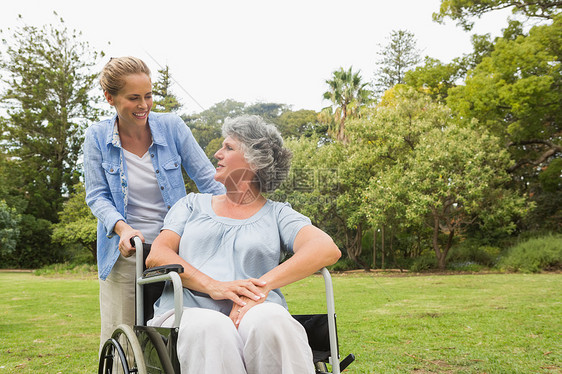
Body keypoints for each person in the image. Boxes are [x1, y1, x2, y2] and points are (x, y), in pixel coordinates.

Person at [146, 115, 341, 374]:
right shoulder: (191, 205)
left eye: (228, 147)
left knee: (273, 321)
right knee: (215, 328)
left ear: (254, 161)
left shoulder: (278, 214)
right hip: (188, 311)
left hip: (255, 310)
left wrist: (259, 290)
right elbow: (157, 255)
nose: (217, 153)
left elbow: (326, 248)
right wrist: (215, 286)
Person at [83, 56, 225, 348]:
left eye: (148, 96)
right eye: (133, 98)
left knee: (181, 332)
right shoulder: (96, 137)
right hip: (124, 252)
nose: (143, 105)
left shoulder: (171, 127)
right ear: (110, 98)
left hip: (176, 247)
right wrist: (123, 229)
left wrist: (233, 217)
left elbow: (209, 181)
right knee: (122, 337)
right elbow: (97, 196)